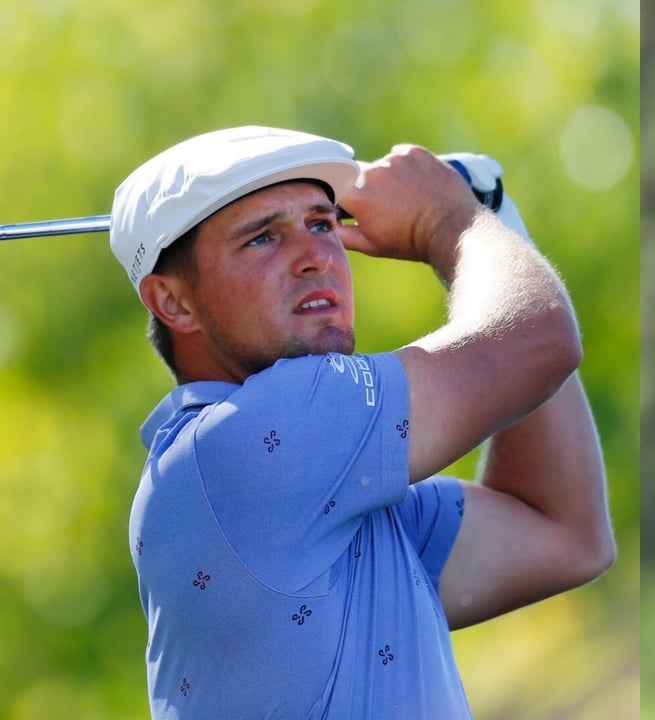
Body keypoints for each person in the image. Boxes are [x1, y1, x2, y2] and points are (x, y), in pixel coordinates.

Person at [109, 125, 615, 718]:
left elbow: (564, 534)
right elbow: (537, 343)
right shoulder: (242, 442)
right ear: (173, 302)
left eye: (323, 224)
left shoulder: (329, 493)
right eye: (262, 238)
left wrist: (491, 222)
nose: (316, 257)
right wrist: (454, 223)